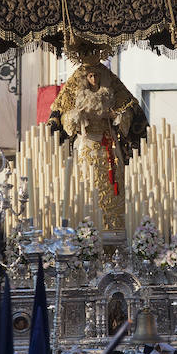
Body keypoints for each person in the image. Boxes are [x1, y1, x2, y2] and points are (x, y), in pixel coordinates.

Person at [48, 60, 147, 231]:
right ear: (85, 78)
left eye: (97, 76)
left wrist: (115, 116)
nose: (94, 79)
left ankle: (115, 226)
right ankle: (86, 227)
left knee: (112, 185)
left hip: (109, 146)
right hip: (86, 146)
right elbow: (63, 117)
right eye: (90, 76)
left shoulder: (112, 91)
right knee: (86, 183)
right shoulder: (75, 92)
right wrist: (77, 117)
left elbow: (129, 112)